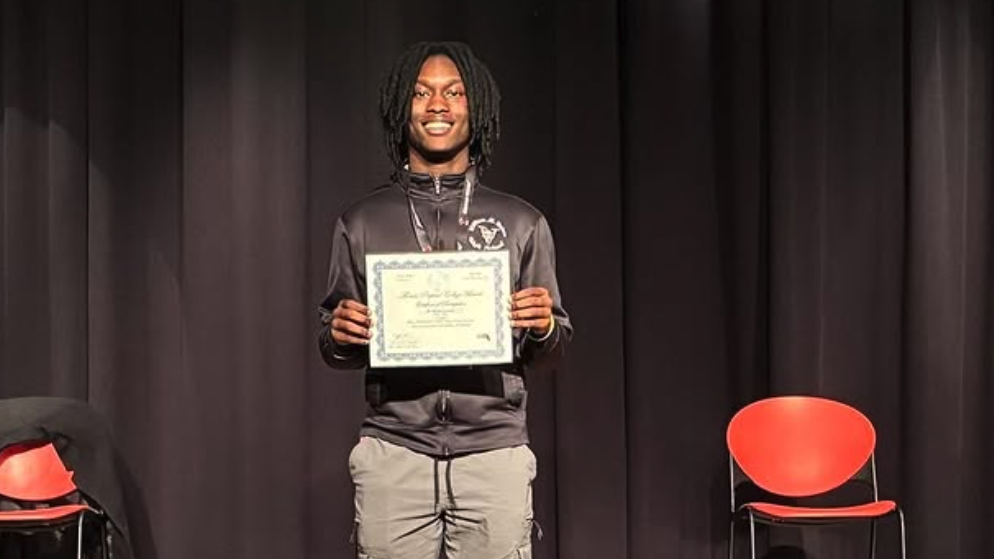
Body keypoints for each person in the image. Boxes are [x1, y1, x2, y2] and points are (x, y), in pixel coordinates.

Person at [317, 41, 571, 559]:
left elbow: (553, 348)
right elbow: (332, 341)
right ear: (399, 109)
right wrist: (341, 335)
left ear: (475, 108)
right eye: (421, 93)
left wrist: (544, 325)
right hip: (394, 452)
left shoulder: (522, 222)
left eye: (454, 93)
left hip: (493, 453)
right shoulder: (361, 221)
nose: (438, 105)